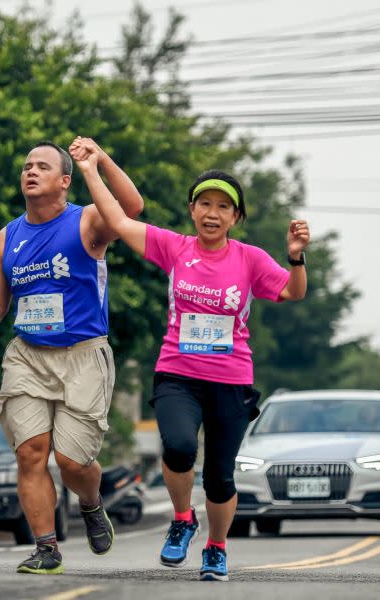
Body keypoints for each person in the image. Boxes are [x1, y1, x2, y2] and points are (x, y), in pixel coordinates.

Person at [70, 136, 310, 582]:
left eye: (223, 206)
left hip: (232, 379)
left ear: (235, 217)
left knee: (219, 477)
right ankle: (183, 518)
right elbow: (120, 222)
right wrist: (91, 166)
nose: (212, 213)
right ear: (192, 210)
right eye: (204, 203)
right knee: (179, 447)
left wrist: (295, 258)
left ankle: (216, 548)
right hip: (177, 373)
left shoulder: (250, 259)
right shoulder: (175, 248)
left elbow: (294, 292)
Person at [0, 140, 144, 575]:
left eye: (42, 166)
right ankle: (46, 548)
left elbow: (132, 206)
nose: (30, 172)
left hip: (83, 355)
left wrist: (98, 160)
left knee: (73, 463)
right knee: (31, 454)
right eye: (26, 166)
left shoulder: (89, 221)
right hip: (28, 357)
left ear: (64, 181)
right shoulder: (8, 237)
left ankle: (91, 502)